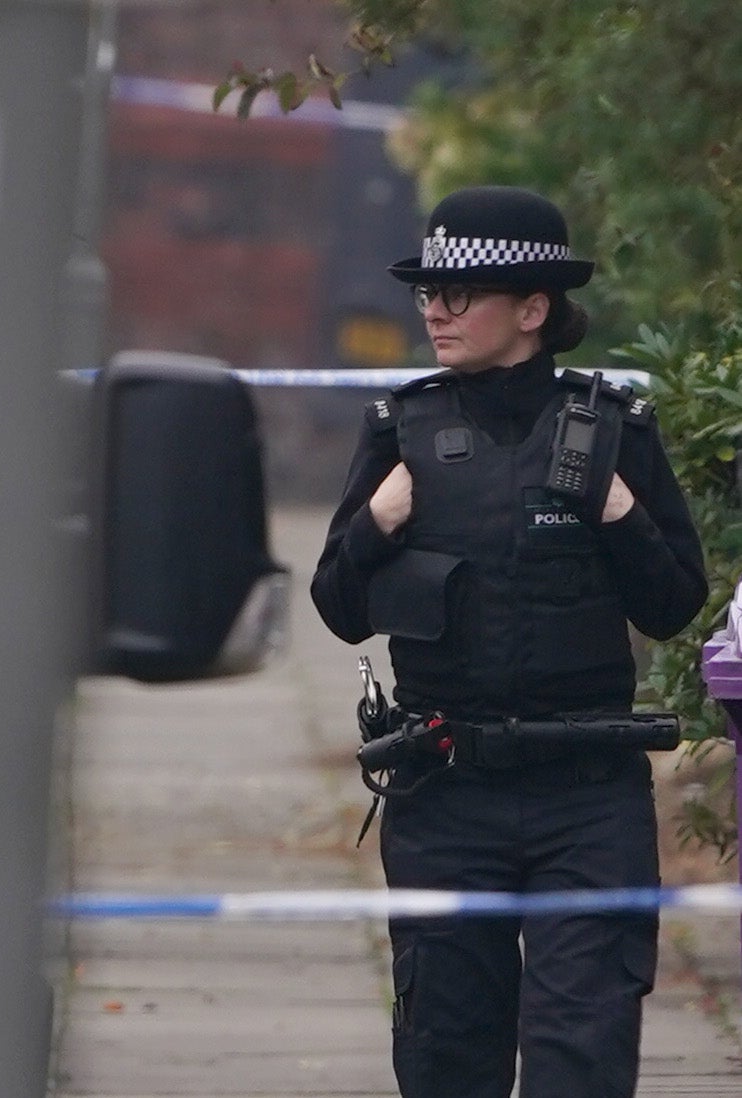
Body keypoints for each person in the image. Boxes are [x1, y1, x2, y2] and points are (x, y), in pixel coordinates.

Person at [310, 185, 708, 1098]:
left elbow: (672, 604)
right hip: (448, 793)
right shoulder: (400, 430)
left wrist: (620, 514)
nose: (437, 311)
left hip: (587, 797)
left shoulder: (615, 429)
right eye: (427, 294)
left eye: (462, 294)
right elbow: (337, 606)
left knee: (583, 1052)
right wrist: (376, 520)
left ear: (533, 309)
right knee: (449, 1054)